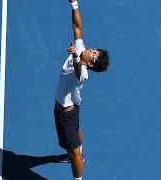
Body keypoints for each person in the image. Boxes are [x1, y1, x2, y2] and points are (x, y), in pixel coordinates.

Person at [53, 0, 110, 179]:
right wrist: (74, 4)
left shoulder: (83, 72)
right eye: (95, 50)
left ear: (91, 63)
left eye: (94, 53)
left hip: (66, 114)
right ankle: (77, 153)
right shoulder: (80, 48)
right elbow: (77, 26)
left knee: (74, 152)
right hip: (66, 109)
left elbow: (77, 68)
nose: (92, 50)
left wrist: (76, 56)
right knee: (73, 136)